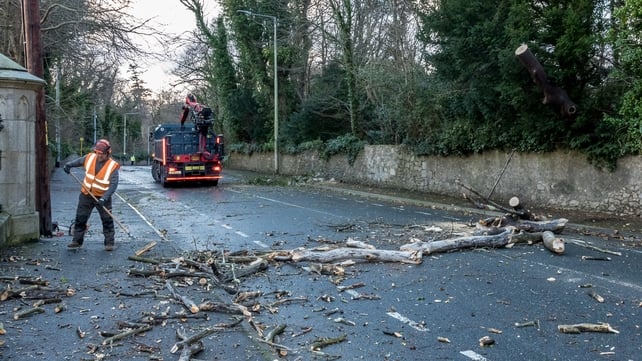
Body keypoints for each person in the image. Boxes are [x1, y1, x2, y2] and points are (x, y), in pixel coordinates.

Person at [63, 139, 121, 251]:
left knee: (107, 219)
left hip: (103, 197)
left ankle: (109, 243)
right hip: (86, 193)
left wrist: (104, 198)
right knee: (81, 218)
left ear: (108, 153)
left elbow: (113, 185)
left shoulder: (112, 166)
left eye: (102, 154)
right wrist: (69, 165)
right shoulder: (89, 158)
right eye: (97, 153)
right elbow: (78, 162)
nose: (99, 156)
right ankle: (76, 241)